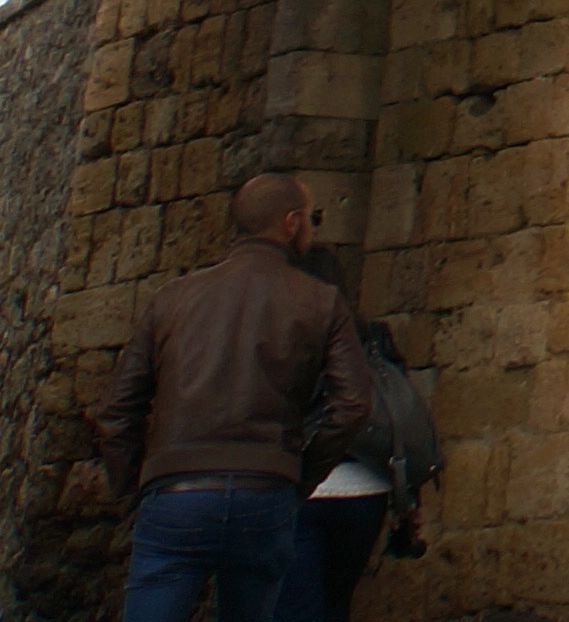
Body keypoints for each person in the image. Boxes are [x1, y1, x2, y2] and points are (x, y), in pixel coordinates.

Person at [92, 171, 372, 622]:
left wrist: (133, 493)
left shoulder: (171, 299)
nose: (312, 229)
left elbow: (117, 411)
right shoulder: (321, 301)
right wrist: (299, 475)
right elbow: (354, 403)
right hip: (264, 490)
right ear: (291, 222)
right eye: (311, 219)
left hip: (176, 489)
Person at [303, 316, 437, 616]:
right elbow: (399, 417)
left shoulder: (280, 325)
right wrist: (409, 496)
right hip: (366, 490)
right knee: (336, 603)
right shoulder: (368, 334)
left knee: (293, 605)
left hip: (302, 490)